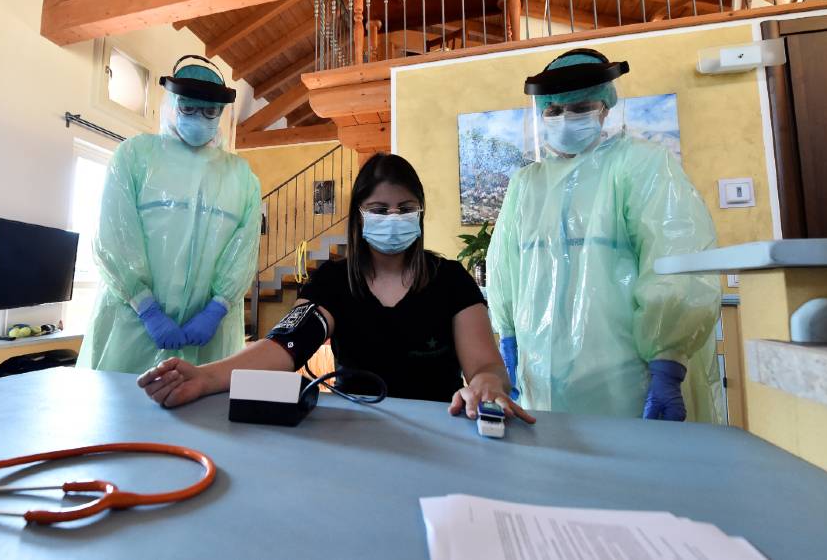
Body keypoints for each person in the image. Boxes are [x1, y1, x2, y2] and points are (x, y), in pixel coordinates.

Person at [137, 153, 535, 423]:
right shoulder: (332, 280)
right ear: (359, 217)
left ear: (420, 213)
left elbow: (486, 367)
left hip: (441, 429)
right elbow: (284, 347)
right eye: (379, 210)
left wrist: (487, 383)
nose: (393, 218)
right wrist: (206, 377)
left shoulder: (450, 279)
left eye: (405, 209)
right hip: (354, 429)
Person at [486, 48, 722, 422]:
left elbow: (675, 255)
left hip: (624, 377)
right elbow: (504, 267)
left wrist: (668, 358)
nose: (565, 118)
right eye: (553, 110)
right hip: (538, 375)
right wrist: (508, 337)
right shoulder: (526, 185)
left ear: (605, 108)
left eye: (580, 107)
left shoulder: (640, 164)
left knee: (626, 457)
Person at [78, 56, 261, 374]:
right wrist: (145, 307)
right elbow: (115, 236)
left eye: (210, 111)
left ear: (221, 112)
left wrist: (217, 308)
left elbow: (243, 249)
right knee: (121, 402)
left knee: (203, 402)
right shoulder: (135, 156)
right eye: (188, 108)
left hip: (209, 339)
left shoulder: (241, 176)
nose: (199, 117)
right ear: (172, 104)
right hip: (131, 329)